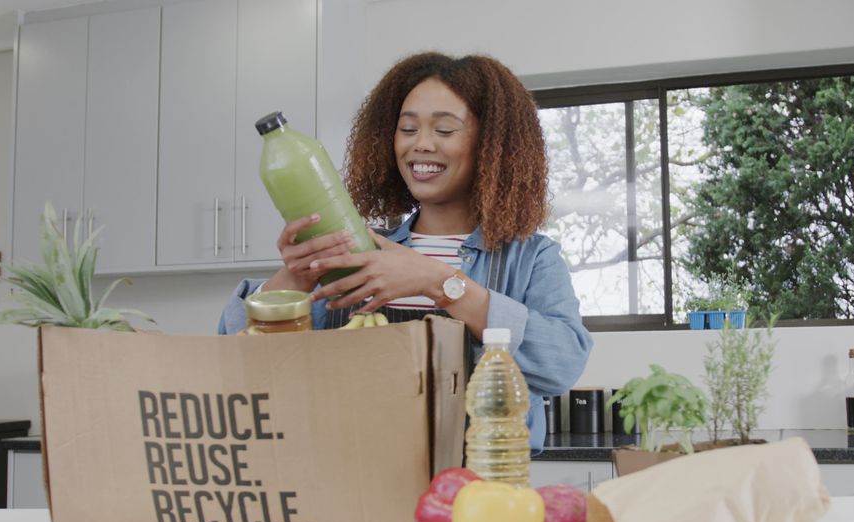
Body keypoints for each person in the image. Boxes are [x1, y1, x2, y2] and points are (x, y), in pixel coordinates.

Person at [219, 52, 593, 452]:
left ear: (490, 146)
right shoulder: (358, 249)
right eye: (408, 128)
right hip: (352, 480)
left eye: (445, 130)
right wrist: (294, 280)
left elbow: (561, 364)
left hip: (477, 491)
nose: (421, 145)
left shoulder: (530, 258)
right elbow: (239, 359)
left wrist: (440, 284)